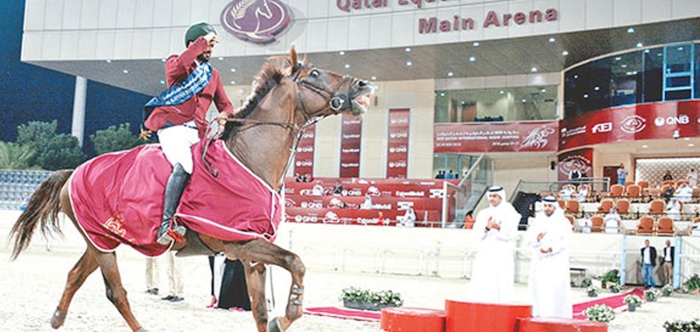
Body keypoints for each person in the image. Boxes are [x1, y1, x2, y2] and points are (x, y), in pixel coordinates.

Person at [144, 22, 234, 245]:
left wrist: (224, 115)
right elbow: (182, 64)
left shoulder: (214, 76)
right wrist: (202, 42)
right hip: (173, 128)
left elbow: (227, 105)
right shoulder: (176, 62)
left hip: (198, 133)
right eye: (206, 46)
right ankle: (166, 224)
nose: (210, 51)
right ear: (193, 44)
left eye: (211, 47)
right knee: (185, 165)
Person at [470, 186, 521, 303]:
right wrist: (487, 228)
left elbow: (512, 235)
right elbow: (476, 234)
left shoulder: (510, 213)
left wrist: (499, 228)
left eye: (495, 196)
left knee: (501, 280)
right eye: (491, 196)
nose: (492, 199)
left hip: (502, 252)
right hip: (486, 251)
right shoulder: (483, 213)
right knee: (484, 279)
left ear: (501, 197)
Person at [526, 196, 572, 318]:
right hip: (539, 261)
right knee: (540, 287)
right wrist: (537, 239)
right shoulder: (537, 221)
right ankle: (539, 314)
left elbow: (565, 241)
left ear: (555, 207)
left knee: (555, 288)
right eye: (545, 206)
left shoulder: (563, 222)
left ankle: (557, 315)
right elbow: (529, 239)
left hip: (556, 261)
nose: (547, 208)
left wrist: (551, 249)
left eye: (549, 206)